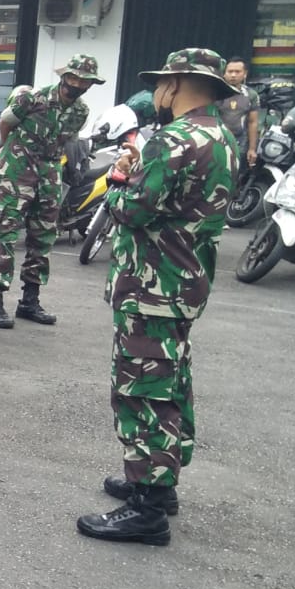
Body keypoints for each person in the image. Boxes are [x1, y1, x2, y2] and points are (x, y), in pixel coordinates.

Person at [77, 49, 239, 545]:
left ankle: (148, 504)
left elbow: (132, 210)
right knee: (170, 382)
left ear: (180, 84)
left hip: (154, 284)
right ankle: (157, 482)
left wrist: (122, 178)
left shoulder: (175, 140)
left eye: (164, 83)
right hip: (183, 281)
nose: (159, 92)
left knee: (142, 390)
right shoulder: (221, 136)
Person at [0, 54, 97, 329]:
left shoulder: (81, 112)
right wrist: (10, 153)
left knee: (43, 236)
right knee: (5, 233)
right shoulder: (32, 99)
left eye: (84, 81)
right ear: (64, 77)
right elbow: (6, 124)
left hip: (49, 172)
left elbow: (68, 140)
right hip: (18, 169)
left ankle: (29, 301)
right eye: (73, 78)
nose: (77, 84)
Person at [218, 55, 260, 166]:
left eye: (237, 72)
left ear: (245, 74)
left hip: (240, 143)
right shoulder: (214, 93)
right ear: (224, 73)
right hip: (216, 142)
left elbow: (253, 122)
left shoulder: (251, 95)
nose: (233, 75)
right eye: (230, 71)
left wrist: (252, 149)